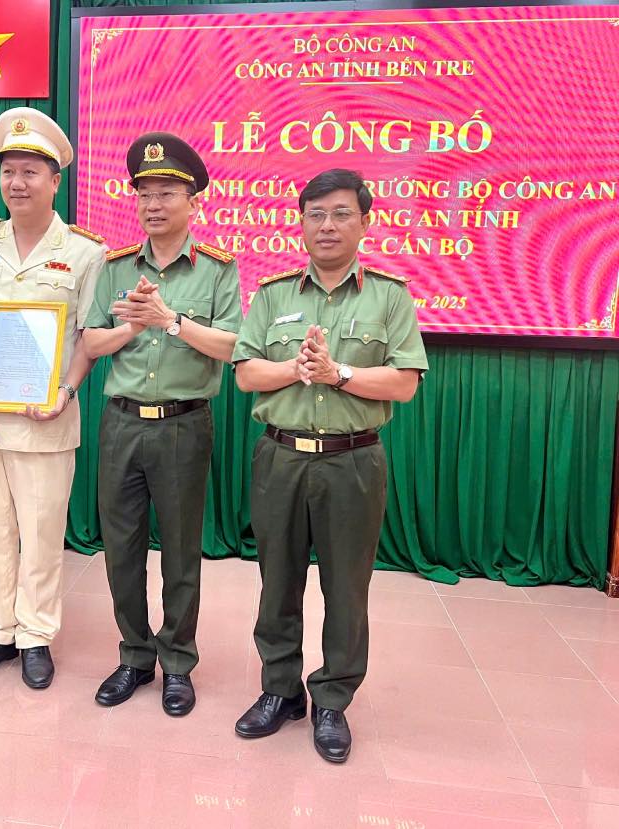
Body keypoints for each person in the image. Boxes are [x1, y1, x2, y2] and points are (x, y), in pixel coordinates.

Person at [231, 168, 428, 762]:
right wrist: (298, 368)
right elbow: (245, 374)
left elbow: (404, 383)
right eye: (315, 214)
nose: (327, 225)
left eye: (341, 213)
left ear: (364, 223)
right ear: (301, 222)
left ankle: (334, 700)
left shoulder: (389, 296)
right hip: (281, 457)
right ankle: (281, 691)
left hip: (352, 461)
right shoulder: (273, 295)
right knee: (277, 583)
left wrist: (338, 372)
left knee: (347, 588)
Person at [82, 132, 241, 716]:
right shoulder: (116, 265)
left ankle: (177, 662)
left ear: (194, 199)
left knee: (179, 551)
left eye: (166, 191)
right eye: (143, 192)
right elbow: (91, 341)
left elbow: (233, 346)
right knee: (120, 547)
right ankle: (133, 656)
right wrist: (134, 325)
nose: (152, 203)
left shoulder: (219, 270)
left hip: (182, 425)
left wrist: (170, 321)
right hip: (121, 423)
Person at [0, 107, 106, 689]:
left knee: (42, 532)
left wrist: (67, 390)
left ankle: (36, 635)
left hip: (47, 417)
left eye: (30, 172)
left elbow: (89, 336)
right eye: (8, 171)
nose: (17, 183)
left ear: (55, 180)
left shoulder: (87, 252)